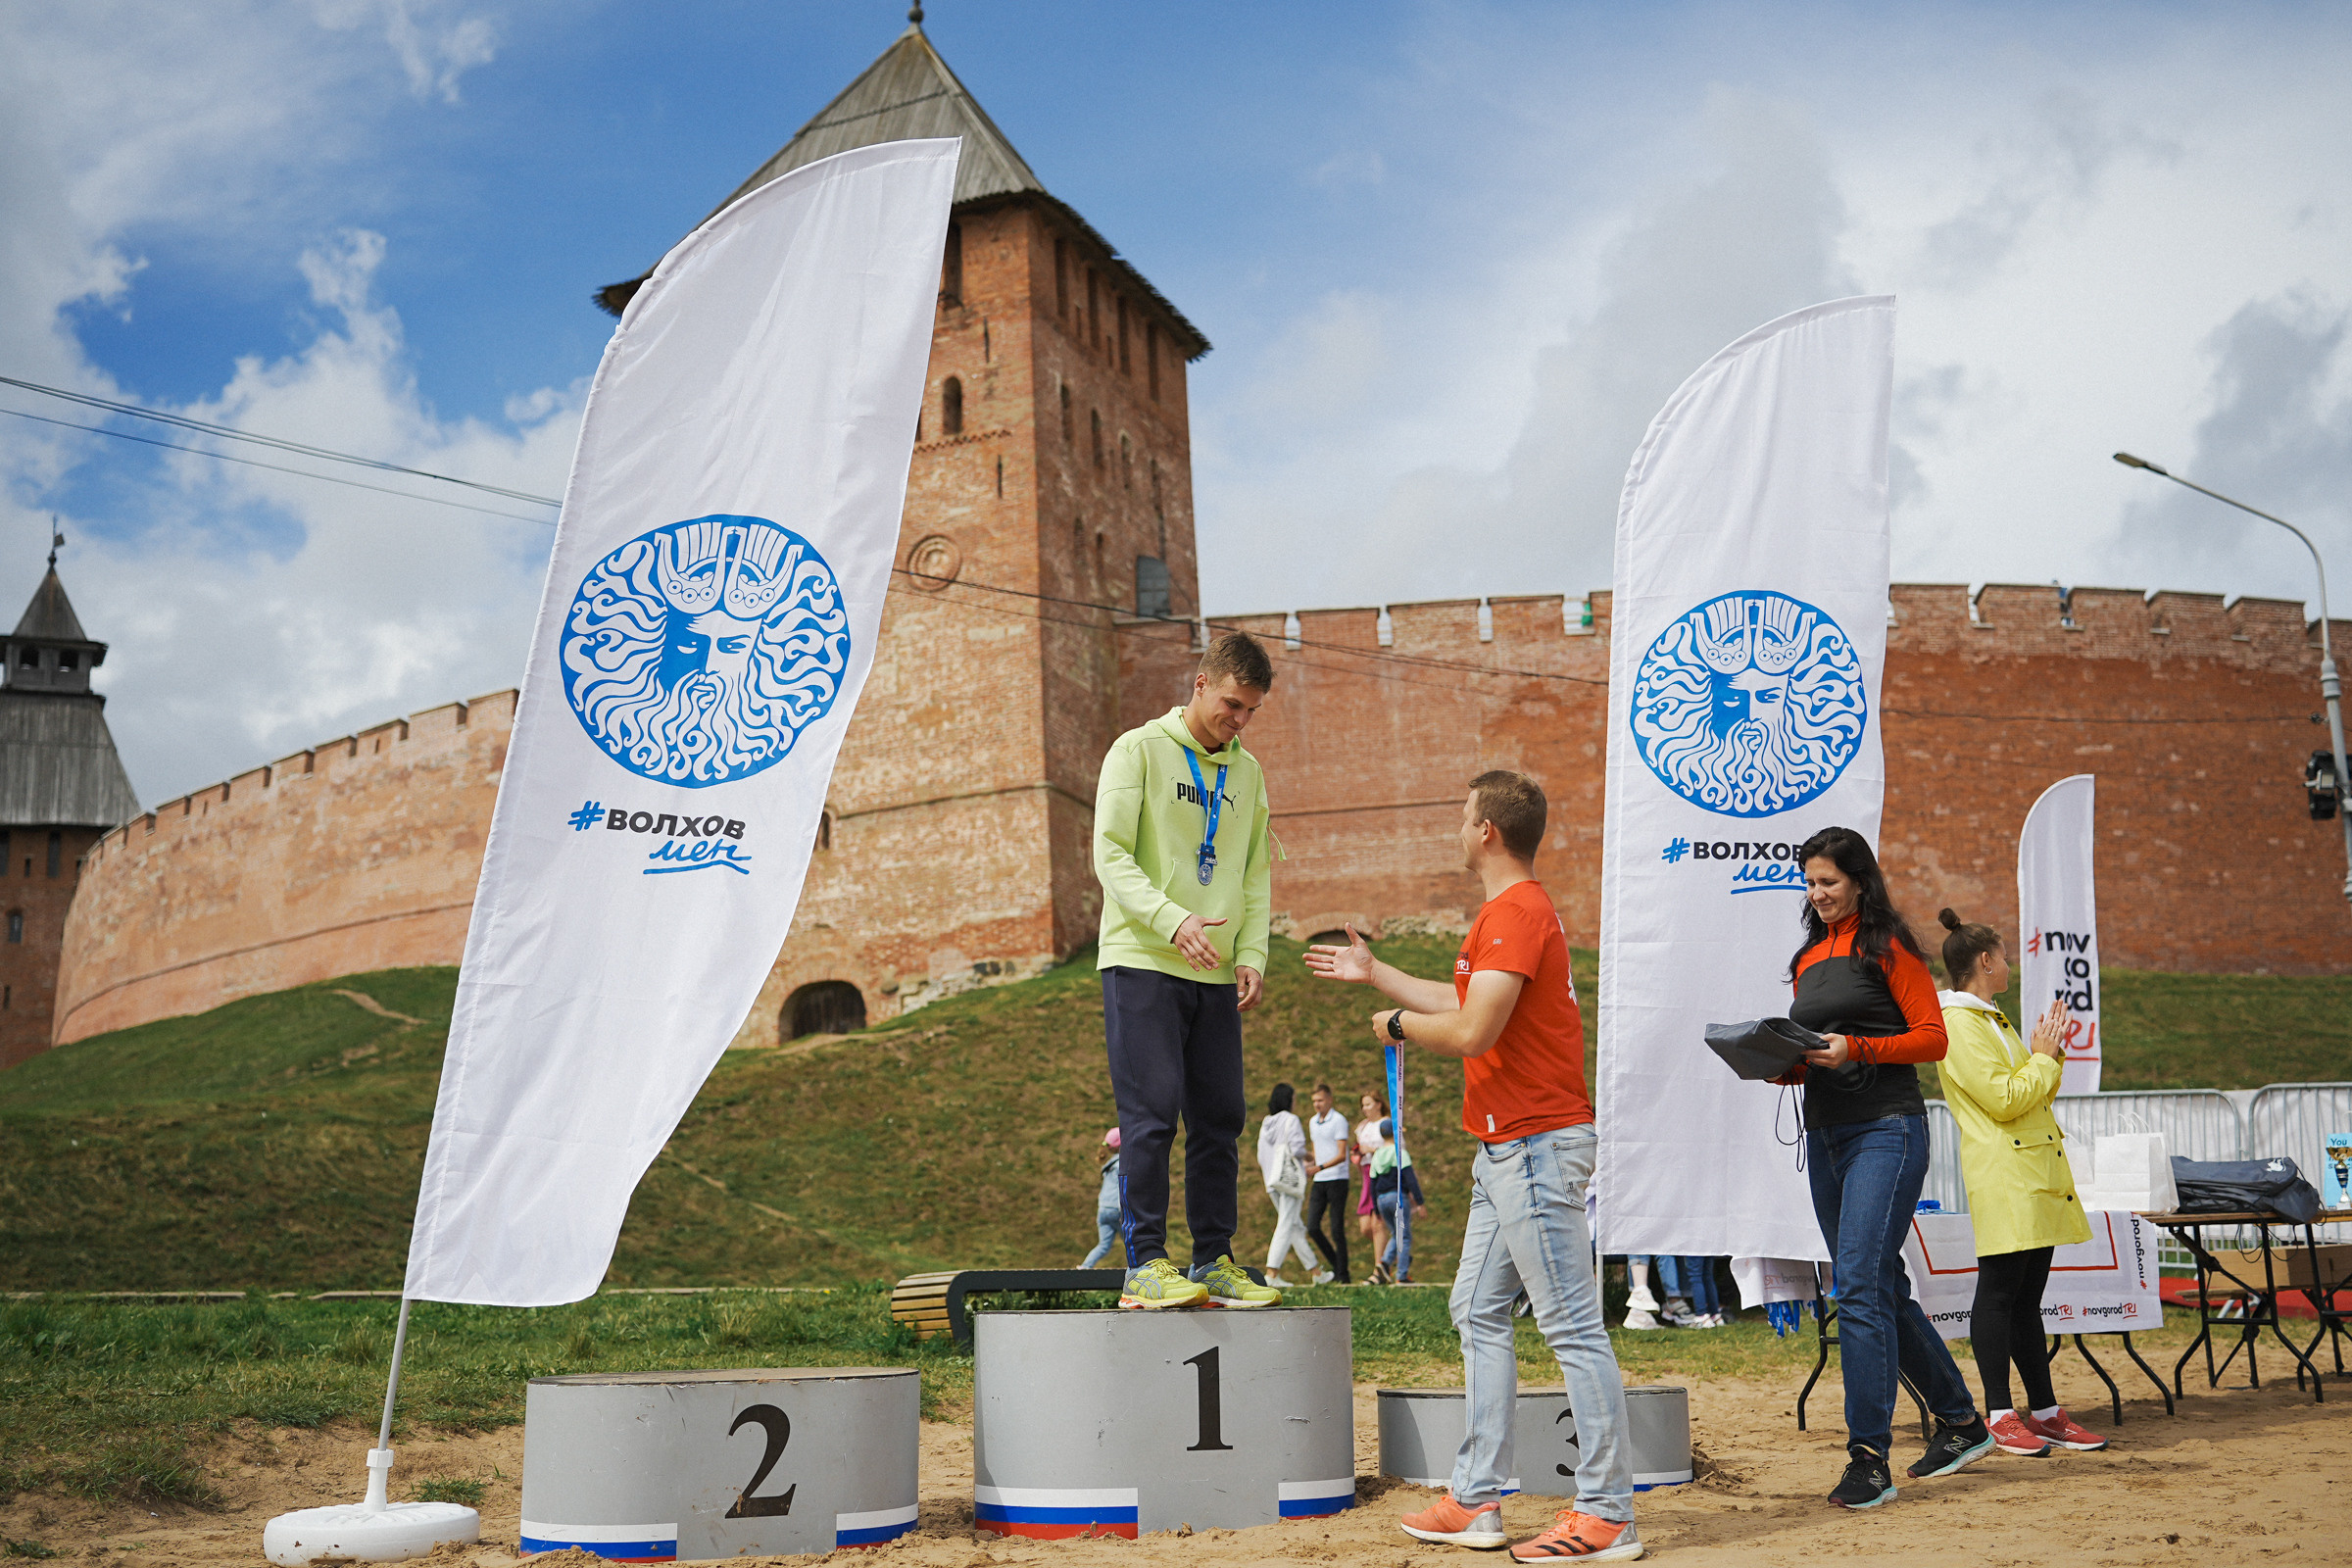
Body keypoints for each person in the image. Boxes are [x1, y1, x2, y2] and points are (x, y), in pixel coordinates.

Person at [1309, 770, 1642, 1562]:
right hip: (1506, 1153)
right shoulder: (1505, 916)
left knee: (1572, 1329)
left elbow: (1472, 1031)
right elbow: (1462, 997)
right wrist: (1379, 975)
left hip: (1533, 1145)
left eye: (1463, 818)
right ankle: (1478, 1497)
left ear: (1487, 830)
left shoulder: (1518, 912)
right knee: (1477, 1310)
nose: (1458, 829)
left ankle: (1607, 1514)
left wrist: (1394, 1021)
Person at [1772, 826, 1989, 1509]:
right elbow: (1815, 1043)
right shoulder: (1809, 957)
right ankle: (1960, 1420)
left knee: (1859, 1284)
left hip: (1887, 1131)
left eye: (1828, 882)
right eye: (1810, 882)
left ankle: (1868, 1458)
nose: (1818, 893)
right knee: (1881, 1286)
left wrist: (1856, 1048)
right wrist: (1784, 1063)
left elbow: (1932, 1036)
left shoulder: (1887, 946)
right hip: (1826, 1133)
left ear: (1860, 881)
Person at [1093, 631, 1283, 1310]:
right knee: (1151, 1115)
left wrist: (1253, 955)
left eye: (1251, 712)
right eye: (1233, 705)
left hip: (1216, 973)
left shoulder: (1248, 773)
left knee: (1221, 1117)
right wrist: (1172, 919)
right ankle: (1144, 1263)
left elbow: (1254, 872)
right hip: (1143, 958)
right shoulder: (1138, 750)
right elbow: (1110, 855)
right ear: (1201, 684)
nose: (1239, 721)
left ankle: (1213, 1260)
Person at [1936, 907, 2111, 1455]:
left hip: (2030, 1170)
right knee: (1999, 1294)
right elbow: (2006, 1099)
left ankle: (2047, 1411)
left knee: (2027, 1298)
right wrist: (2044, 1058)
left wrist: (2044, 1060)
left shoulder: (1990, 1019)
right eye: (2005, 955)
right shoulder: (1961, 1024)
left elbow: (2029, 1094)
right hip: (2006, 1174)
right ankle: (1998, 1412)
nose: (2010, 965)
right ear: (1985, 961)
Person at [1257, 1083, 1323, 1288]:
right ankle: (1272, 1272)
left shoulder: (1266, 1123)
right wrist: (1310, 1156)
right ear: (1288, 1100)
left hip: (1272, 1180)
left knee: (1293, 1225)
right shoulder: (1291, 1120)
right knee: (1286, 1224)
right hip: (1289, 1181)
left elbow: (1261, 1154)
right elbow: (1296, 1149)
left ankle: (1316, 1272)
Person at [1303, 1082, 1354, 1283]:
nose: (1317, 1104)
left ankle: (1344, 1275)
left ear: (1329, 1100)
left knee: (1336, 1228)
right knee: (1312, 1227)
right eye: (1314, 1101)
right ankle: (1337, 1265)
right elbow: (1316, 1151)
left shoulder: (1339, 1120)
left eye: (1320, 1100)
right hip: (1320, 1178)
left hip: (1337, 1178)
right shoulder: (1312, 1122)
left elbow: (1342, 1154)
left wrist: (1321, 1167)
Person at [1369, 1117, 1427, 1284]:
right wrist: (1420, 1202)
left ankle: (1384, 1263)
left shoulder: (1377, 1155)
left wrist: (1376, 1208)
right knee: (1405, 1236)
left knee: (1396, 1233)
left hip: (1381, 1199)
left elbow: (1373, 1182)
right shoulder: (1400, 1152)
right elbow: (1410, 1179)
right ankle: (1400, 1274)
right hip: (1397, 1197)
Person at [1079, 1128, 1123, 1268]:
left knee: (1103, 1245)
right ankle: (1139, 1271)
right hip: (1117, 1209)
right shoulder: (1122, 1164)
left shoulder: (1108, 1165)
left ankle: (1084, 1268)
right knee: (1132, 1244)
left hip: (1103, 1209)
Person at [1356, 1093, 1390, 1272]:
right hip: (1366, 1174)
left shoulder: (1386, 1123)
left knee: (1378, 1223)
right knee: (1365, 1227)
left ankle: (1379, 1269)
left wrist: (1371, 1150)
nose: (1365, 1109)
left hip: (1382, 1173)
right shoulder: (1363, 1126)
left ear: (1378, 1104)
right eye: (1363, 1105)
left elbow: (1393, 1149)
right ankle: (1390, 1255)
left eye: (1368, 1104)